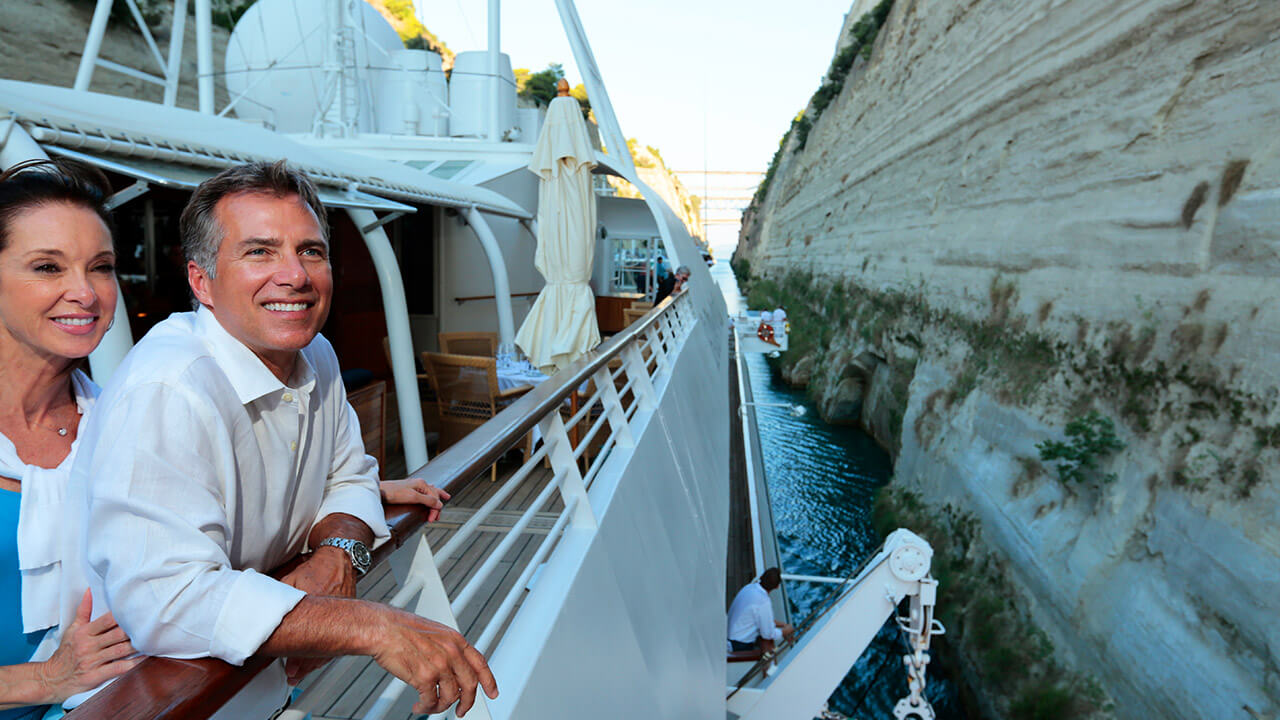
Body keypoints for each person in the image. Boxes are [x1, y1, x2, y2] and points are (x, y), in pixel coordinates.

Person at [62, 161, 495, 718]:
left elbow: (348, 474)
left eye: (310, 251)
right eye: (260, 251)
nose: (295, 275)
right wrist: (369, 625)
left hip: (260, 689)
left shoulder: (315, 352)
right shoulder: (169, 390)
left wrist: (338, 553)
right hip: (153, 701)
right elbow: (165, 602)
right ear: (202, 282)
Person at [0, 159, 140, 718]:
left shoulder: (126, 423)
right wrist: (44, 679)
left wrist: (338, 494)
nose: (83, 292)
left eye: (100, 267)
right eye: (47, 267)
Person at [727, 568, 794, 654]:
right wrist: (785, 631)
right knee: (767, 641)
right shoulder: (763, 602)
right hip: (738, 644)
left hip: (729, 635)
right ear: (777, 587)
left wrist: (783, 624)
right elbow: (768, 634)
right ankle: (768, 665)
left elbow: (758, 617)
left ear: (762, 577)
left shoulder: (749, 587)